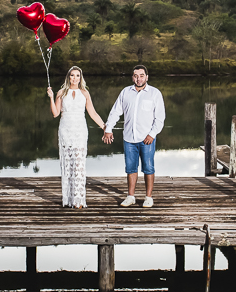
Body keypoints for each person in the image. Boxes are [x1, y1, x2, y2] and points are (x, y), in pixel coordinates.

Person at [102, 65, 165, 208]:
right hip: (129, 138)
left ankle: (148, 197)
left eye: (141, 75)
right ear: (132, 77)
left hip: (146, 138)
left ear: (147, 77)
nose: (138, 78)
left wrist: (152, 134)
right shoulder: (125, 92)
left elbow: (160, 118)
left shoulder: (154, 93)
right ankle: (130, 196)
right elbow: (115, 111)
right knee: (131, 168)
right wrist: (108, 128)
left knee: (148, 168)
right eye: (136, 76)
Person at [47, 66, 106, 209]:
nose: (75, 78)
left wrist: (105, 127)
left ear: (81, 77)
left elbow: (92, 113)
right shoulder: (61, 92)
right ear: (68, 77)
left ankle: (78, 200)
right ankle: (68, 199)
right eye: (72, 75)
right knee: (67, 164)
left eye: (77, 75)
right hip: (65, 131)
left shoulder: (84, 93)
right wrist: (51, 96)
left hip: (80, 131)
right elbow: (55, 113)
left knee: (79, 165)